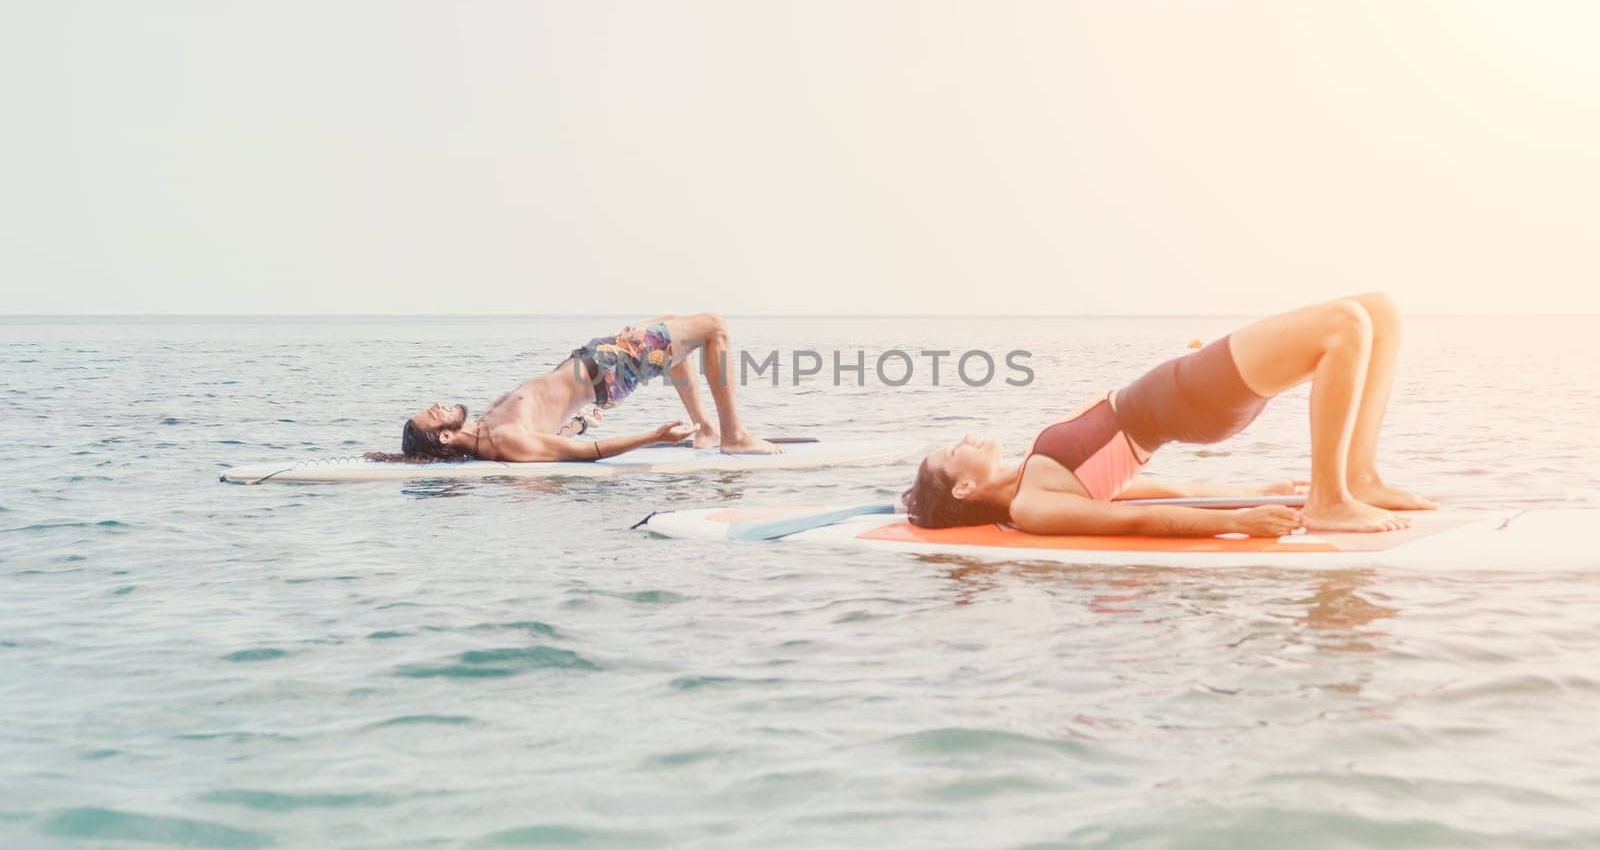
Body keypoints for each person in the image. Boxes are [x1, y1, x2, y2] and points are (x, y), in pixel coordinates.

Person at [902, 294, 1435, 537]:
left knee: (1379, 313)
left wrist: (1260, 490)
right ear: (963, 490)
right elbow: (1137, 522)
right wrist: (1235, 525)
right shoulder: (1036, 506)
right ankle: (1330, 498)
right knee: (1344, 324)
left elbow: (1165, 494)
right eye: (955, 451)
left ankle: (1359, 478)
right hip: (1192, 397)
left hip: (1187, 388)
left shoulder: (1039, 475)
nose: (966, 438)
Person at [371, 314, 780, 463]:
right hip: (612, 368)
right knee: (713, 327)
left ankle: (706, 429)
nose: (438, 404)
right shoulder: (505, 441)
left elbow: (552, 431)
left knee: (677, 333)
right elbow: (590, 455)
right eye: (434, 413)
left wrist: (576, 425)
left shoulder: (485, 427)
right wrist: (653, 436)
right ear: (445, 435)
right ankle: (734, 435)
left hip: (598, 359)